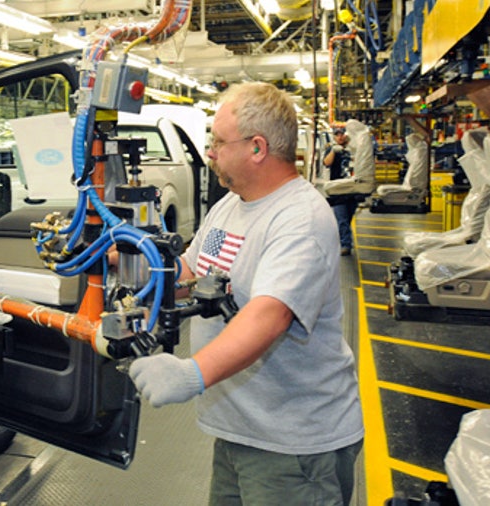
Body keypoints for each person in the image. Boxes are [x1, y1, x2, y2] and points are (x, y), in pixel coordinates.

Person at [128, 82, 364, 506]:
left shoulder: (300, 218)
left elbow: (269, 315)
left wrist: (191, 373)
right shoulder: (230, 205)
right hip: (238, 430)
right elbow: (190, 270)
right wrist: (123, 256)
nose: (211, 151)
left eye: (219, 140)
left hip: (293, 446)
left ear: (257, 147)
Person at [323, 128, 357, 256]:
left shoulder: (353, 148)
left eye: (342, 134)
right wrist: (333, 150)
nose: (340, 137)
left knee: (347, 218)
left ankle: (344, 239)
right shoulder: (331, 149)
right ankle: (345, 244)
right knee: (341, 218)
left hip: (353, 188)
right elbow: (326, 163)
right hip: (337, 189)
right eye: (337, 135)